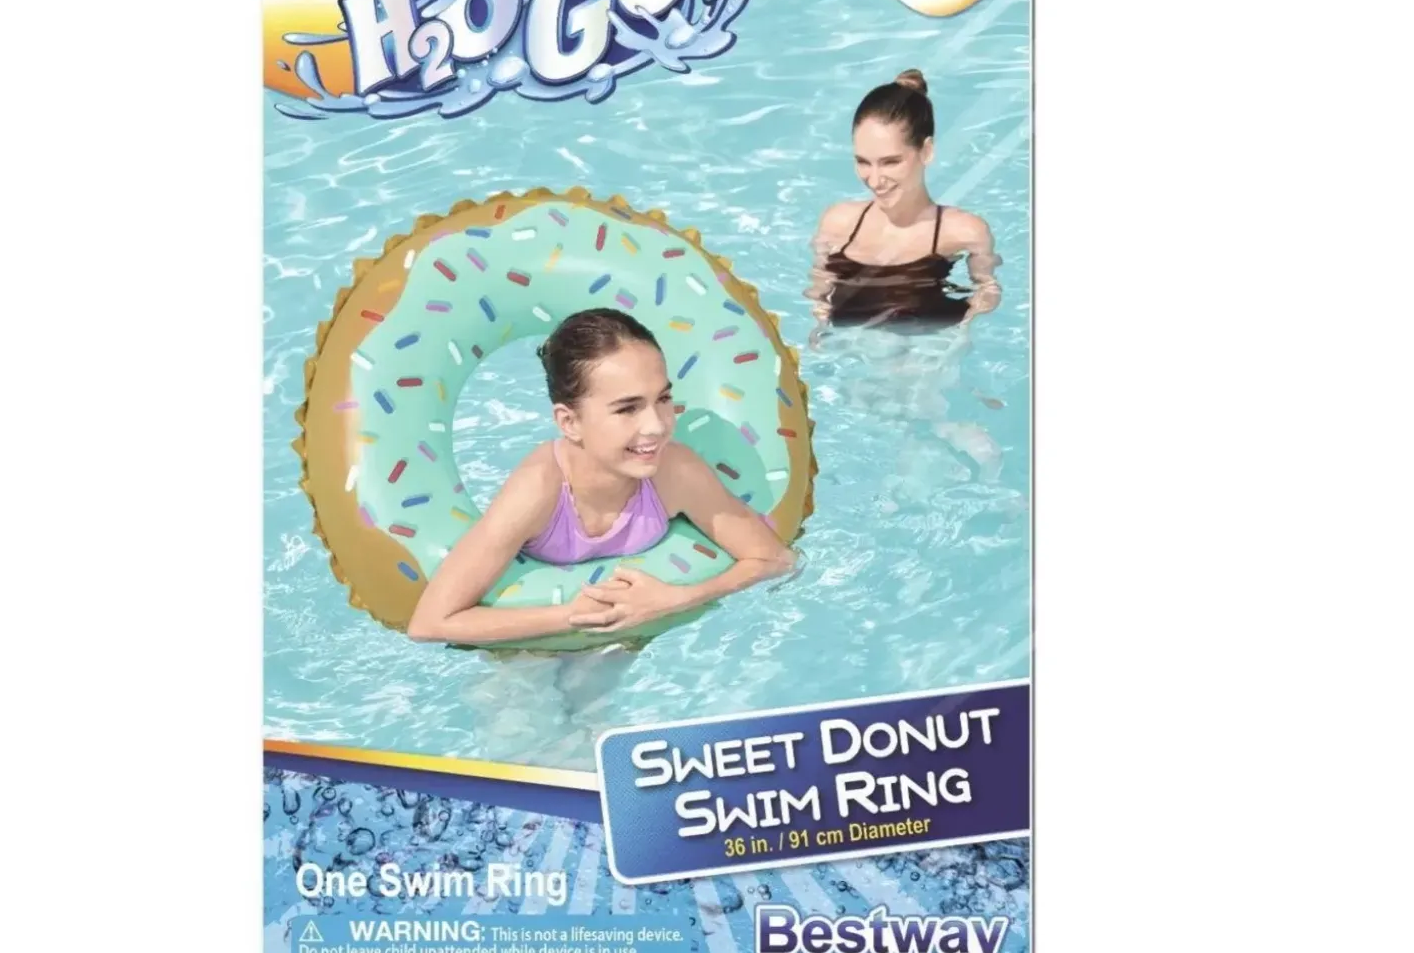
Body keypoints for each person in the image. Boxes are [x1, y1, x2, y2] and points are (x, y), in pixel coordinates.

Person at [406, 307, 793, 645]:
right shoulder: (538, 490)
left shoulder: (674, 472)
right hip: (528, 650)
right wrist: (575, 616)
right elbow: (430, 623)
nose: (657, 426)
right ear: (569, 422)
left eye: (662, 399)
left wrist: (678, 598)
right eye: (627, 409)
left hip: (636, 644)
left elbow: (775, 559)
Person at [807, 69, 1002, 331]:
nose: (875, 180)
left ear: (926, 151)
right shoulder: (837, 222)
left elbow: (987, 290)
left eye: (890, 162)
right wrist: (821, 330)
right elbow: (818, 292)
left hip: (925, 349)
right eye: (863, 162)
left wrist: (955, 339)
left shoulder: (964, 231)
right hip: (848, 351)